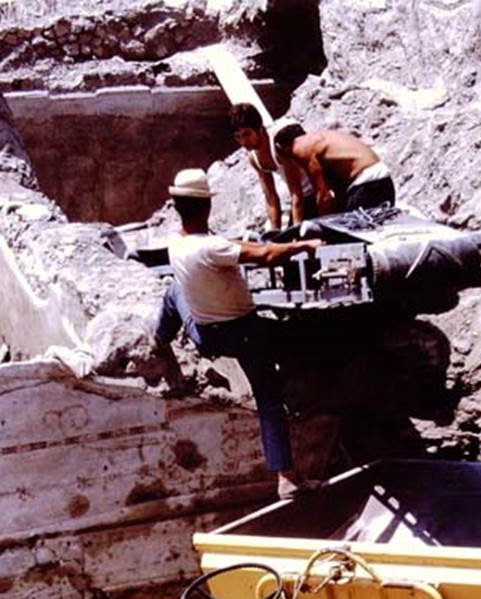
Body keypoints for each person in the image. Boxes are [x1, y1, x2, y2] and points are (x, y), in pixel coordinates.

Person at [154, 168, 322, 500]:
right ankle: (286, 477)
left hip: (205, 334)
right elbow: (265, 255)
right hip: (245, 334)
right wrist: (304, 244)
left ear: (177, 206)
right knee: (270, 401)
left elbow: (226, 246)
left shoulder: (176, 243)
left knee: (174, 291)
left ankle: (159, 339)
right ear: (206, 207)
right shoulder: (212, 248)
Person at [274, 125, 395, 216]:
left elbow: (323, 196)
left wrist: (323, 224)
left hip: (366, 185)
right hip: (383, 179)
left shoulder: (299, 148)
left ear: (281, 148)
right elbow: (338, 189)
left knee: (351, 238)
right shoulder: (322, 138)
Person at [229, 103, 316, 228]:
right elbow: (271, 198)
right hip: (303, 199)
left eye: (246, 134)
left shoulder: (278, 142)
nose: (243, 142)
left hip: (318, 191)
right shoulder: (254, 158)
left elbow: (296, 192)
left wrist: (297, 233)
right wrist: (275, 232)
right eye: (238, 137)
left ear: (259, 129)